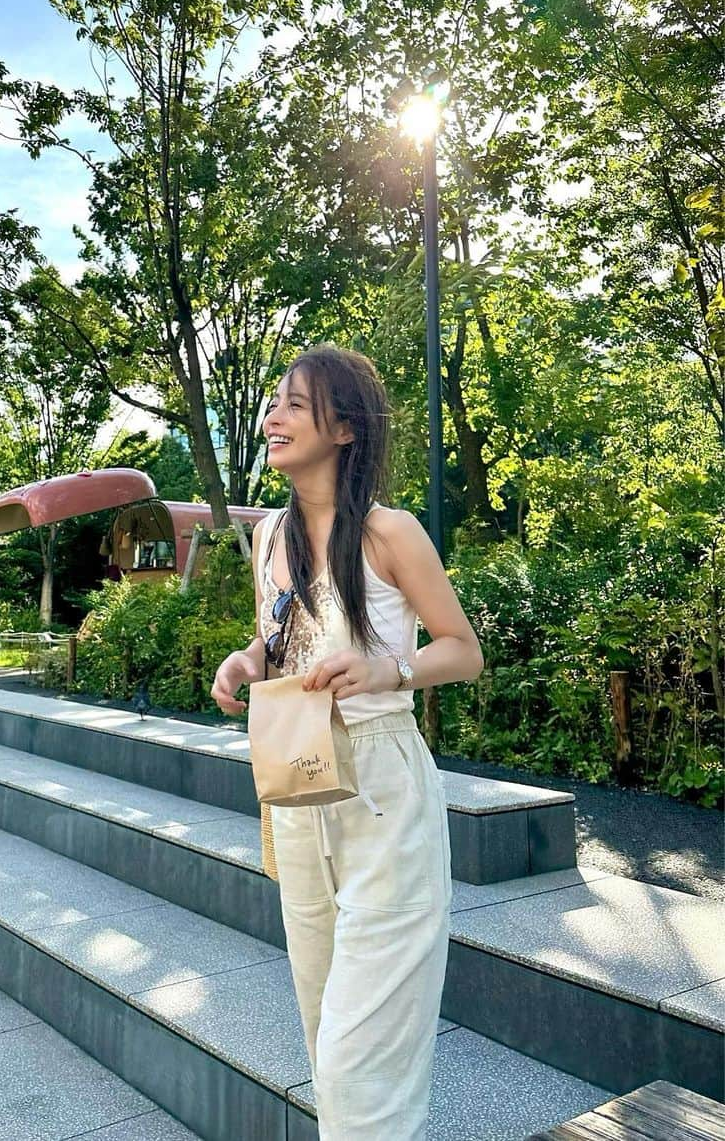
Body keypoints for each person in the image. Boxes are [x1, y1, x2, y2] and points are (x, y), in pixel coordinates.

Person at [210, 344, 484, 1141]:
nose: (275, 417)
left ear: (347, 428)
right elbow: (279, 638)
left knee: (363, 1056)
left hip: (383, 796)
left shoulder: (390, 533)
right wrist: (245, 659)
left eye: (296, 404)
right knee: (325, 1032)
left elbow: (462, 648)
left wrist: (387, 667)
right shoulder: (268, 536)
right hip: (300, 794)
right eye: (275, 403)